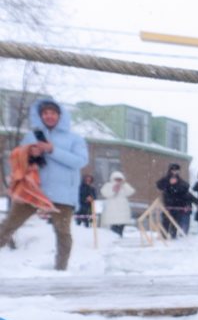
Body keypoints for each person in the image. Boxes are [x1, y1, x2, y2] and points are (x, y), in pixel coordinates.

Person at [0, 98, 90, 270]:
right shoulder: (31, 136)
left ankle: (61, 269)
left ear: (60, 116)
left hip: (63, 193)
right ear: (40, 116)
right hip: (33, 190)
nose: (49, 116)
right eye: (45, 113)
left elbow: (80, 161)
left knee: (62, 232)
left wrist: (51, 150)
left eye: (53, 113)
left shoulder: (74, 139)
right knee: (9, 225)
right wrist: (30, 153)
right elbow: (18, 160)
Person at [156, 163, 195, 237]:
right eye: (173, 170)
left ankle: (173, 237)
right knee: (165, 223)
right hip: (167, 205)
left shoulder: (180, 181)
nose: (175, 172)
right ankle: (163, 237)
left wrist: (177, 185)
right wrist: (169, 183)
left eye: (176, 170)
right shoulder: (166, 179)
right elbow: (159, 185)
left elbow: (185, 187)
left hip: (178, 206)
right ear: (170, 170)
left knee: (175, 224)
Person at [99, 171, 135, 237]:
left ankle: (120, 237)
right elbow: (105, 193)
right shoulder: (108, 185)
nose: (118, 181)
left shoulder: (124, 186)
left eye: (120, 179)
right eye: (116, 179)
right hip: (112, 210)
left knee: (121, 227)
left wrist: (124, 185)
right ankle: (113, 238)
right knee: (113, 228)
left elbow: (131, 191)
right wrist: (113, 190)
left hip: (122, 210)